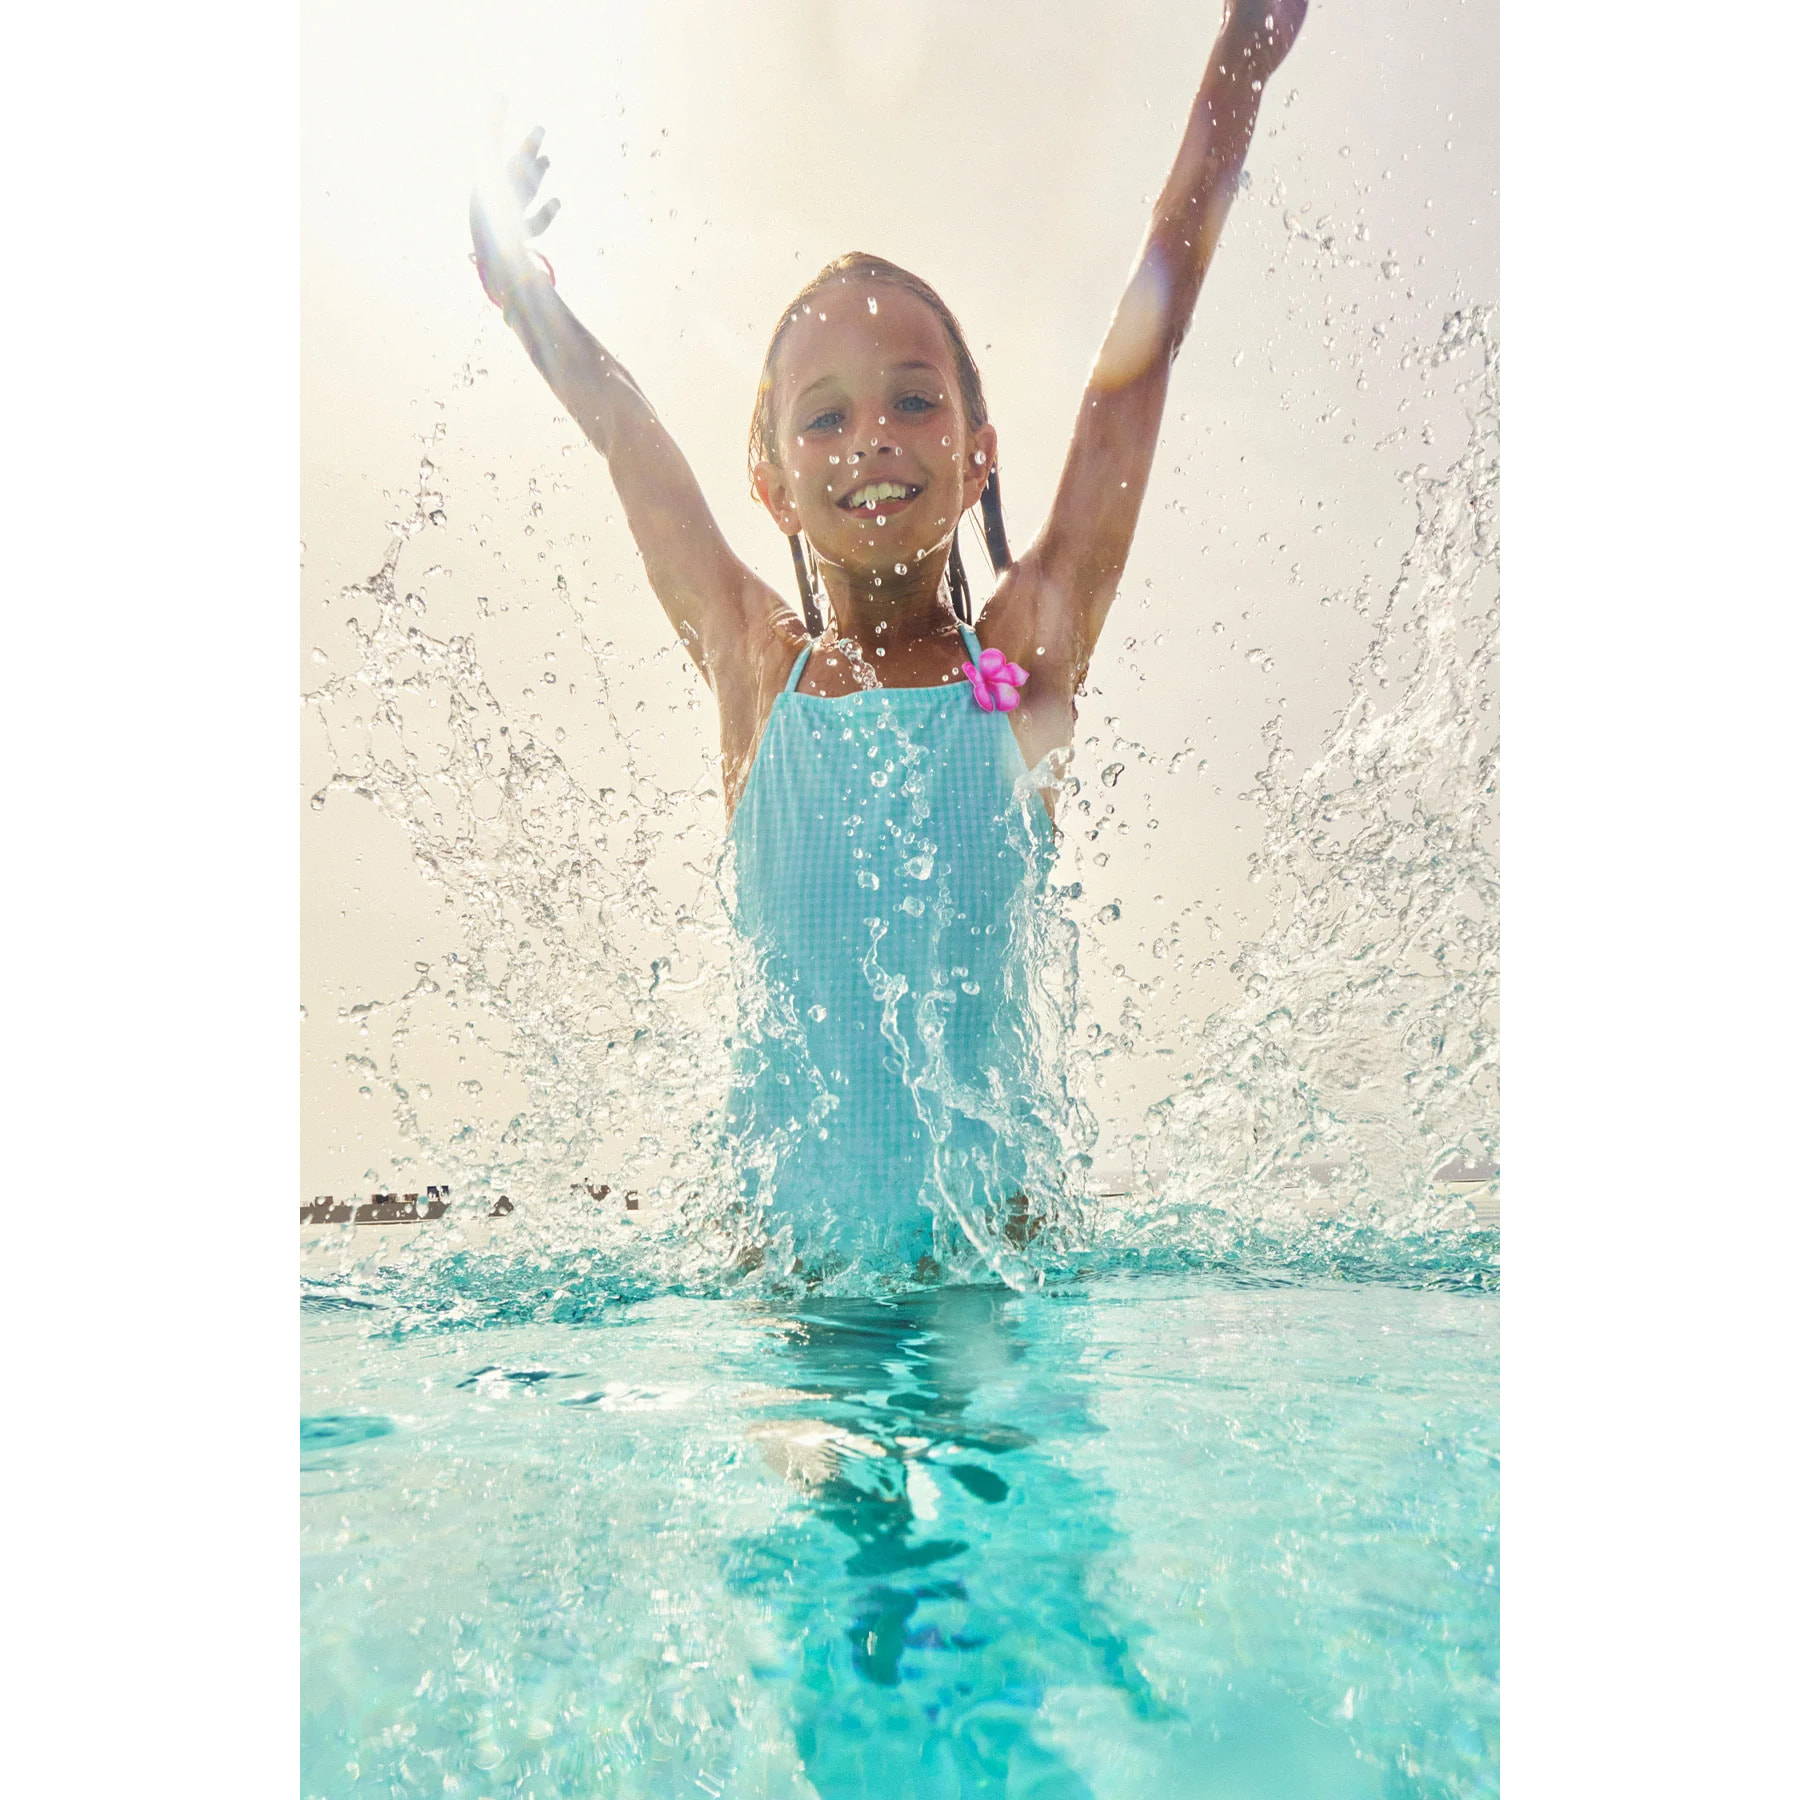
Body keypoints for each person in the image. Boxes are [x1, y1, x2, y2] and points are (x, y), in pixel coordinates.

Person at [468, 0, 1308, 1279]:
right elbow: (622, 431)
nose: (873, 438)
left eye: (916, 402)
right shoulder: (759, 668)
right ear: (768, 477)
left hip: (999, 1298)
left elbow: (1147, 343)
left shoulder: (1019, 664)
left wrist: (1237, 68)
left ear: (977, 454)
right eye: (825, 417)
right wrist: (514, 286)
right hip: (795, 1317)